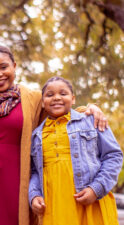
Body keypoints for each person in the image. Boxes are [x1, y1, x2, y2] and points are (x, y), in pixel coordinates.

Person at [0, 45, 108, 225]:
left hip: (12, 188)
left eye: (3, 67)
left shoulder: (33, 99)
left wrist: (88, 110)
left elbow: (61, 113)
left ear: (14, 66)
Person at [29, 76, 123, 225]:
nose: (56, 98)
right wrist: (34, 195)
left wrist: (96, 188)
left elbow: (113, 156)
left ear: (73, 99)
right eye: (50, 95)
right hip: (55, 207)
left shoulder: (92, 121)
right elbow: (34, 171)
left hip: (91, 203)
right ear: (42, 102)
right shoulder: (36, 135)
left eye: (63, 93)